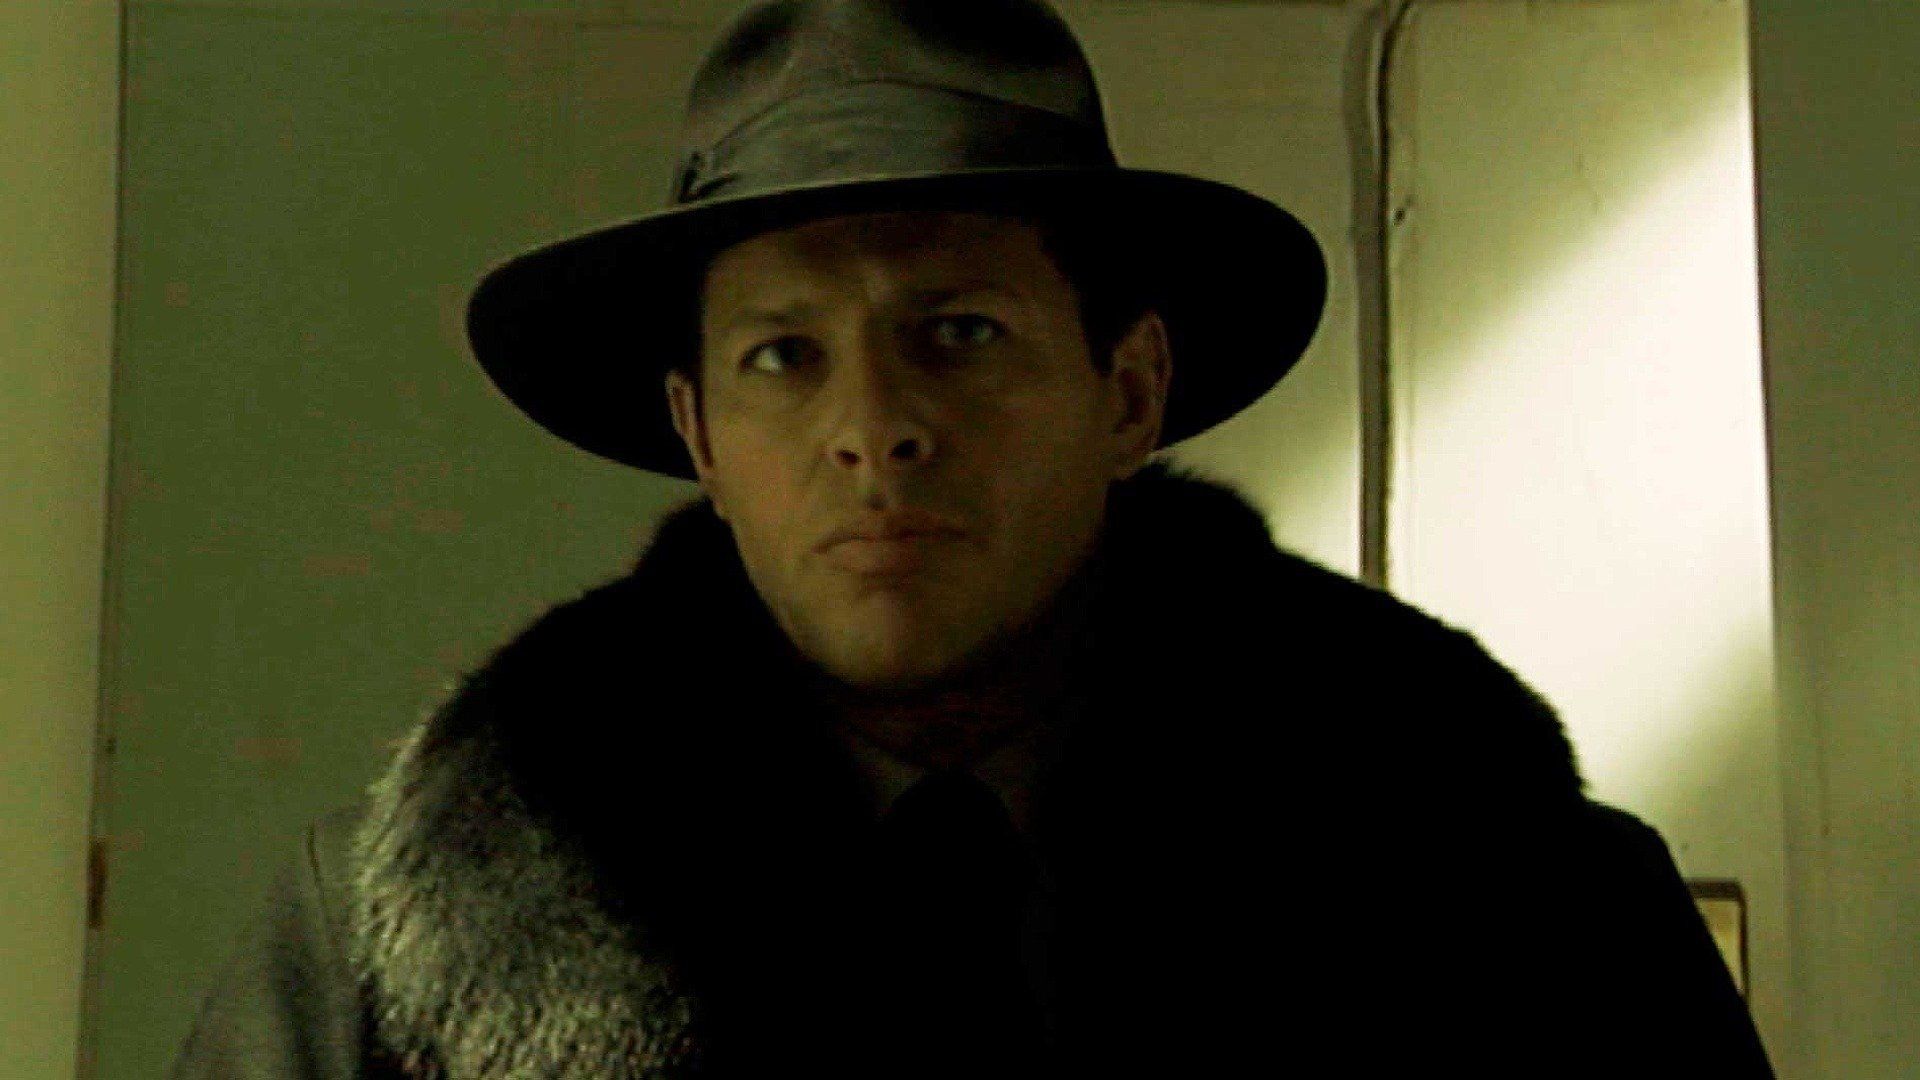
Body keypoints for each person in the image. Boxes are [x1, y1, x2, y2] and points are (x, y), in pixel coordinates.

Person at [172, 0, 1776, 1076]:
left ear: (1129, 393)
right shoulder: (397, 943)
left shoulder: (1499, 890)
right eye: (783, 357)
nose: (875, 427)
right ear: (699, 438)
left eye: (958, 333)